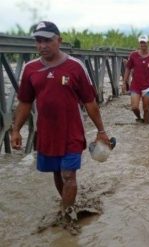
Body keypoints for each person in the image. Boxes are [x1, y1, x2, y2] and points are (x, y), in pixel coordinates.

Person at [10, 21, 111, 219]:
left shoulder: (75, 66)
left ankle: (66, 216)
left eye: (47, 40)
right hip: (46, 133)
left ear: (59, 40)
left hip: (71, 132)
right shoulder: (30, 69)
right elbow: (24, 102)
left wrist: (101, 130)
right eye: (38, 41)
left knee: (68, 175)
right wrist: (15, 130)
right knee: (57, 173)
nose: (42, 45)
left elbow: (90, 102)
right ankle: (68, 204)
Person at [122, 34, 149, 124]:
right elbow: (128, 69)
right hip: (135, 85)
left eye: (144, 42)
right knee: (134, 107)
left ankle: (146, 129)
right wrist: (124, 82)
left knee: (146, 109)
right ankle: (139, 118)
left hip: (148, 86)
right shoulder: (133, 55)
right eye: (141, 42)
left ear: (148, 43)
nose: (143, 44)